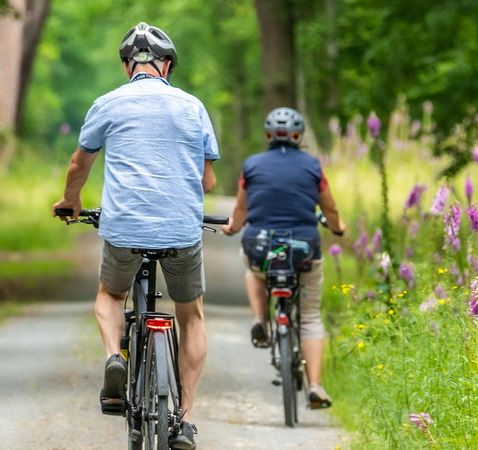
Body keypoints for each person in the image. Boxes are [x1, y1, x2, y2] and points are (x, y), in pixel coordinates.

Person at [51, 22, 219, 450]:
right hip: (182, 229)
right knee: (192, 315)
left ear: (128, 66)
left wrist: (71, 202)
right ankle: (184, 422)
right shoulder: (193, 106)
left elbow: (78, 165)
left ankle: (114, 357)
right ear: (167, 65)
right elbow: (209, 180)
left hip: (124, 228)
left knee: (110, 295)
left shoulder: (108, 103)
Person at [222, 107, 345, 409]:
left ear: (267, 135)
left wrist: (233, 227)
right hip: (303, 249)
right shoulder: (313, 166)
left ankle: (260, 318)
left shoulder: (251, 165)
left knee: (252, 268)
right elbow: (329, 209)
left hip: (261, 247)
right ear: (298, 135)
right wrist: (339, 228)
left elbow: (241, 210)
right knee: (312, 317)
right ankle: (315, 385)